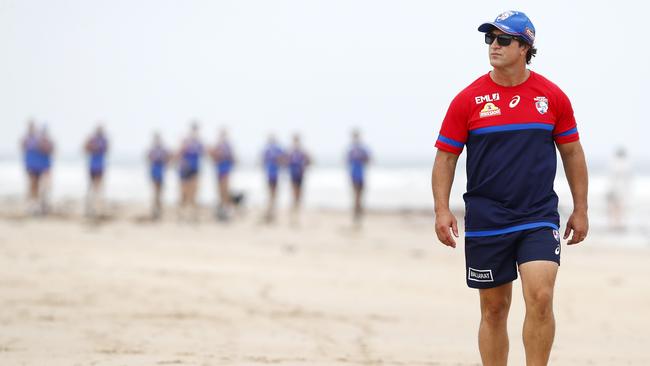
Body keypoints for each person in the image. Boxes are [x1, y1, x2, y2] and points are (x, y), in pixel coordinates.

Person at [431, 11, 588, 365]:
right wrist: (442, 209)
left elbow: (572, 153)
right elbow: (445, 158)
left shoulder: (552, 98)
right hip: (487, 217)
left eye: (503, 39)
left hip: (537, 215)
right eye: (490, 39)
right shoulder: (468, 100)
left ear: (524, 47)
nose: (494, 46)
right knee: (495, 309)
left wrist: (581, 208)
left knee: (541, 296)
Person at [177, 122, 203, 222]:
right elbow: (179, 154)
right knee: (184, 194)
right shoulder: (186, 141)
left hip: (194, 170)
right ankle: (182, 215)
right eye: (194, 130)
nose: (195, 132)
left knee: (194, 193)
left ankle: (193, 216)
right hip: (184, 171)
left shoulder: (199, 143)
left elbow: (206, 153)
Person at [209, 129, 236, 221]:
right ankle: (222, 211)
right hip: (219, 170)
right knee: (220, 191)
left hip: (225, 170)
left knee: (225, 191)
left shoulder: (227, 146)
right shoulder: (217, 146)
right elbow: (213, 158)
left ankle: (228, 211)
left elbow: (233, 159)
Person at [84, 124, 109, 219]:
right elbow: (85, 149)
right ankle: (91, 206)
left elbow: (106, 149)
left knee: (98, 186)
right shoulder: (92, 140)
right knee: (91, 186)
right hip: (92, 166)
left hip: (100, 166)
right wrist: (90, 145)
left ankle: (96, 206)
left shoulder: (104, 140)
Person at [347, 130, 370, 225]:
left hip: (361, 175)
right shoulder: (351, 150)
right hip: (354, 175)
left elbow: (369, 160)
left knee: (359, 197)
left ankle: (358, 214)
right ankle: (357, 214)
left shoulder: (362, 150)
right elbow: (347, 161)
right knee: (356, 196)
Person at [287, 133, 311, 224]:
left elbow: (309, 160)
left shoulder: (302, 152)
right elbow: (285, 161)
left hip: (300, 175)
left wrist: (304, 166)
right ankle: (294, 214)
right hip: (293, 175)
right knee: (294, 194)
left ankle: (296, 212)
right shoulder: (291, 152)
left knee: (299, 195)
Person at [262, 135, 285, 223]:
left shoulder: (275, 150)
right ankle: (270, 211)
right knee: (271, 194)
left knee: (273, 194)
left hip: (274, 174)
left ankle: (271, 211)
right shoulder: (268, 150)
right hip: (270, 174)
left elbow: (283, 160)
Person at [606, 147, 631, 231]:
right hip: (620, 189)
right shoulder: (626, 164)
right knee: (619, 206)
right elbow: (628, 180)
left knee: (614, 207)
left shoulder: (614, 163)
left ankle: (614, 224)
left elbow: (611, 178)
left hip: (615, 188)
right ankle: (618, 224)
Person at [21, 120, 43, 215]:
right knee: (32, 183)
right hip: (30, 164)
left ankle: (35, 204)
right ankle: (31, 204)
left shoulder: (38, 139)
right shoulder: (26, 139)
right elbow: (22, 147)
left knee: (37, 184)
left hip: (38, 164)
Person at [148, 132, 170, 220]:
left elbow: (168, 159)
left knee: (160, 192)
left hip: (161, 172)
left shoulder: (162, 150)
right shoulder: (152, 150)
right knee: (155, 192)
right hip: (154, 172)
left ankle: (158, 210)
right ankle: (155, 210)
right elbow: (148, 158)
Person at [37, 125, 55, 215]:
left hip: (47, 169)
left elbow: (52, 150)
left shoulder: (49, 142)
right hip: (40, 169)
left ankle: (46, 205)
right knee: (41, 189)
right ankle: (41, 206)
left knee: (47, 188)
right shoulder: (37, 143)